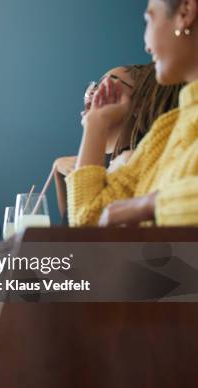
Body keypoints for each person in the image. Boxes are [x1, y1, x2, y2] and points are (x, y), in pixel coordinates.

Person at [67, 0, 198, 227]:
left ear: (185, 12)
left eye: (149, 19)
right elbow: (88, 223)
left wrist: (147, 206)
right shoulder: (163, 134)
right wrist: (95, 124)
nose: (146, 46)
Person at [53, 63, 182, 221]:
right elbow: (69, 230)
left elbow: (86, 224)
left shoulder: (129, 164)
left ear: (140, 103)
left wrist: (95, 121)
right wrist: (59, 174)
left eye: (107, 83)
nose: (93, 90)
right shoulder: (89, 165)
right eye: (95, 84)